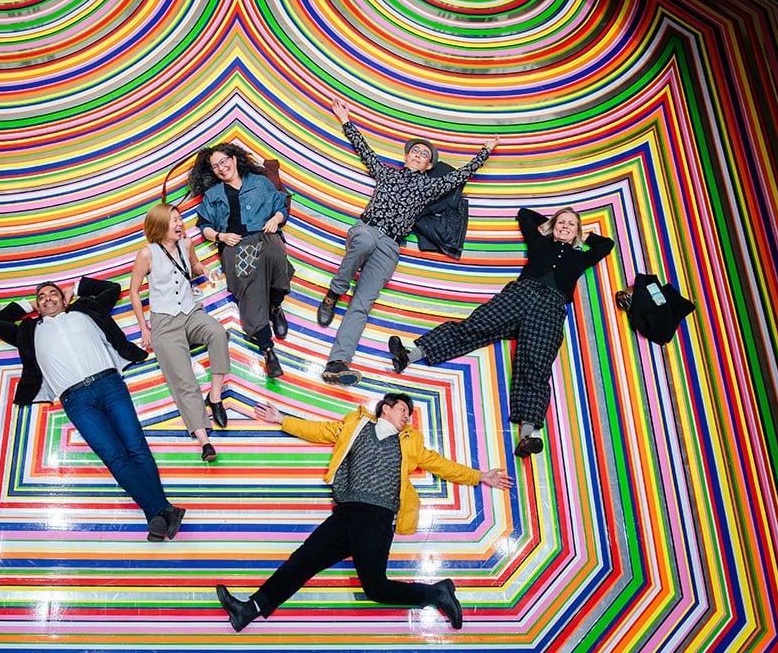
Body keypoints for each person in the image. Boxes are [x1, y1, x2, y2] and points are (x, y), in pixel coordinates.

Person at [215, 393, 514, 632]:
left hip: (377, 518)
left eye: (408, 414)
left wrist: (478, 476)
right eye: (402, 409)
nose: (406, 416)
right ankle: (248, 610)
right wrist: (282, 419)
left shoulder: (411, 443)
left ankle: (436, 593)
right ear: (385, 408)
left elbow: (441, 464)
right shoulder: (354, 425)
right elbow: (320, 430)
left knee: (375, 588)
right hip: (344, 514)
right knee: (301, 562)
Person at [388, 207, 614, 457]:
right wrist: (549, 223)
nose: (565, 226)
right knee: (475, 327)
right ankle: (410, 355)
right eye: (561, 222)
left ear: (577, 233)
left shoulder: (580, 257)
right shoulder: (539, 240)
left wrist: (581, 237)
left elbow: (606, 244)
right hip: (521, 294)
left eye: (571, 224)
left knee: (535, 363)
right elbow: (525, 214)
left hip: (551, 307)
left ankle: (526, 436)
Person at [0, 277, 185, 542]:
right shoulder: (28, 330)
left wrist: (76, 291)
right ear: (37, 304)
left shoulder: (86, 309)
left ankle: (157, 517)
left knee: (136, 447)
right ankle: (161, 513)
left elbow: (112, 289)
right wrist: (27, 305)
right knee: (114, 456)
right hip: (76, 400)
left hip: (110, 384)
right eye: (42, 297)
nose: (47, 298)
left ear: (63, 298)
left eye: (52, 293)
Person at [318, 97, 498, 385]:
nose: (417, 155)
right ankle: (334, 292)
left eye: (424, 154)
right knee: (363, 242)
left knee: (363, 303)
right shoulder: (386, 173)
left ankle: (338, 363)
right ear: (406, 157)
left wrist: (485, 152)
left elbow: (463, 175)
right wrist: (345, 120)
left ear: (428, 165)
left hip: (391, 245)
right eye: (414, 151)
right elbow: (363, 149)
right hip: (367, 229)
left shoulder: (430, 186)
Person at [130, 202, 232, 462]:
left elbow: (194, 267)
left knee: (217, 333)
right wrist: (145, 328)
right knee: (183, 380)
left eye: (180, 218)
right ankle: (204, 441)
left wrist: (205, 270)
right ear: (159, 226)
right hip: (164, 323)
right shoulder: (147, 254)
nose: (179, 223)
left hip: (190, 312)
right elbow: (134, 291)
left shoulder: (186, 245)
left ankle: (216, 396)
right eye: (173, 220)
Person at [191, 143, 295, 379]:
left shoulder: (259, 182)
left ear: (234, 158)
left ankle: (275, 305)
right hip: (235, 245)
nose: (221, 167)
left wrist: (276, 220)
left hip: (265, 235)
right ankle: (268, 350)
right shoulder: (213, 194)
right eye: (215, 166)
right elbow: (204, 226)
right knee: (250, 281)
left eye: (223, 161)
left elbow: (280, 206)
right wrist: (221, 236)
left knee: (276, 256)